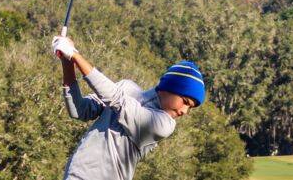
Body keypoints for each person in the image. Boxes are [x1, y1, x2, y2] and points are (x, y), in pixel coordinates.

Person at [51, 36, 206, 180]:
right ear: (170, 88)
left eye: (190, 108)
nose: (184, 111)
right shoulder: (127, 87)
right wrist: (67, 61)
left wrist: (74, 55)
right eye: (185, 101)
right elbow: (79, 109)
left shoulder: (163, 125)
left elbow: (117, 99)